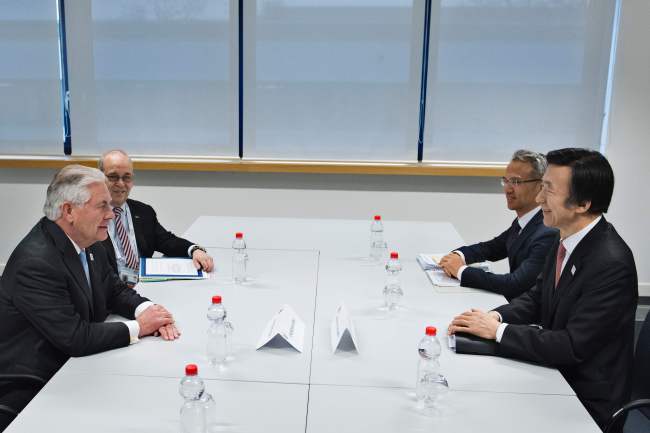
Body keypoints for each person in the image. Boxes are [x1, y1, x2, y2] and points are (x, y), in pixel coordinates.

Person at [448, 148, 638, 429]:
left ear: (583, 203)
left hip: (585, 401)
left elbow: (572, 346)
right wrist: (495, 318)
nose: (538, 198)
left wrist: (498, 332)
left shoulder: (610, 263)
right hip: (553, 373)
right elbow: (537, 299)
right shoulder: (565, 239)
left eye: (548, 189)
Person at [0, 165, 180, 418]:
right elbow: (75, 338)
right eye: (102, 206)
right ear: (69, 211)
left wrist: (149, 310)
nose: (112, 214)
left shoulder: (90, 241)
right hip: (35, 385)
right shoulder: (36, 262)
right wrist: (140, 327)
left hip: (79, 366)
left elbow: (114, 290)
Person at [439, 149, 557, 301]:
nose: (507, 189)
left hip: (528, 316)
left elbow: (515, 284)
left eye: (515, 182)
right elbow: (492, 248)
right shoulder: (525, 222)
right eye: (505, 181)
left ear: (541, 186)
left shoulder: (547, 231)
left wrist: (461, 271)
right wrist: (458, 255)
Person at [98, 150, 214, 284]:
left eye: (127, 177)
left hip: (144, 285)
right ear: (100, 178)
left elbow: (166, 241)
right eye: (113, 177)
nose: (121, 183)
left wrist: (194, 250)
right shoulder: (90, 217)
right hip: (111, 290)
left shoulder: (143, 211)